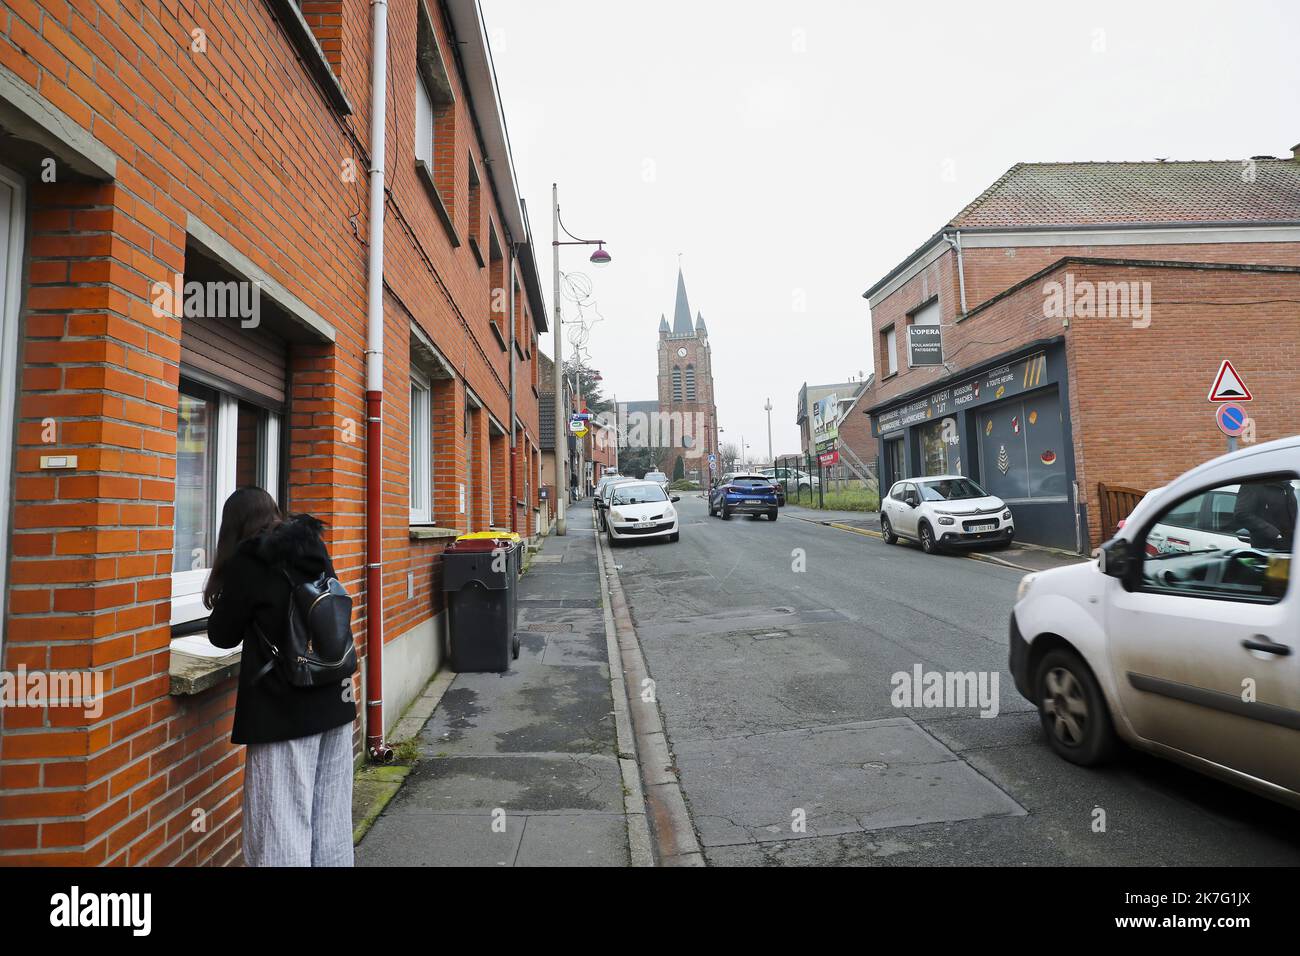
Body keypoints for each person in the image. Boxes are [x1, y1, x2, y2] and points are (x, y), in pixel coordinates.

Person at [205, 487, 356, 867]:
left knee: (281, 825)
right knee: (330, 819)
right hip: (334, 700)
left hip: (283, 709)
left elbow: (222, 635)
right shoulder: (312, 546)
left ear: (233, 526)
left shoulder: (248, 560)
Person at [1231, 479, 1297, 551]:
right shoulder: (1253, 485)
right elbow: (1241, 514)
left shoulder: (1287, 486)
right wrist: (1274, 534)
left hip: (1291, 548)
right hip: (1267, 550)